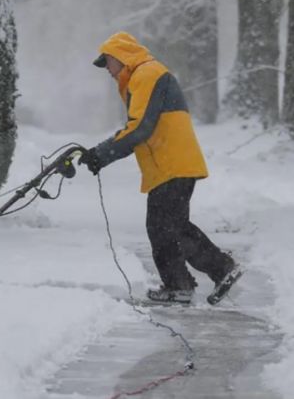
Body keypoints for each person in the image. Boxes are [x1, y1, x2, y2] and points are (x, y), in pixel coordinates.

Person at [79, 31, 242, 305]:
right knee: (169, 227)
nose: (106, 69)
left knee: (166, 228)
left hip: (172, 164)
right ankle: (185, 283)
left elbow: (140, 128)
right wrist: (100, 153)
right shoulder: (143, 75)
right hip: (170, 165)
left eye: (107, 61)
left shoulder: (147, 74)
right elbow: (139, 128)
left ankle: (215, 271)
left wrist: (102, 154)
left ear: (121, 56)